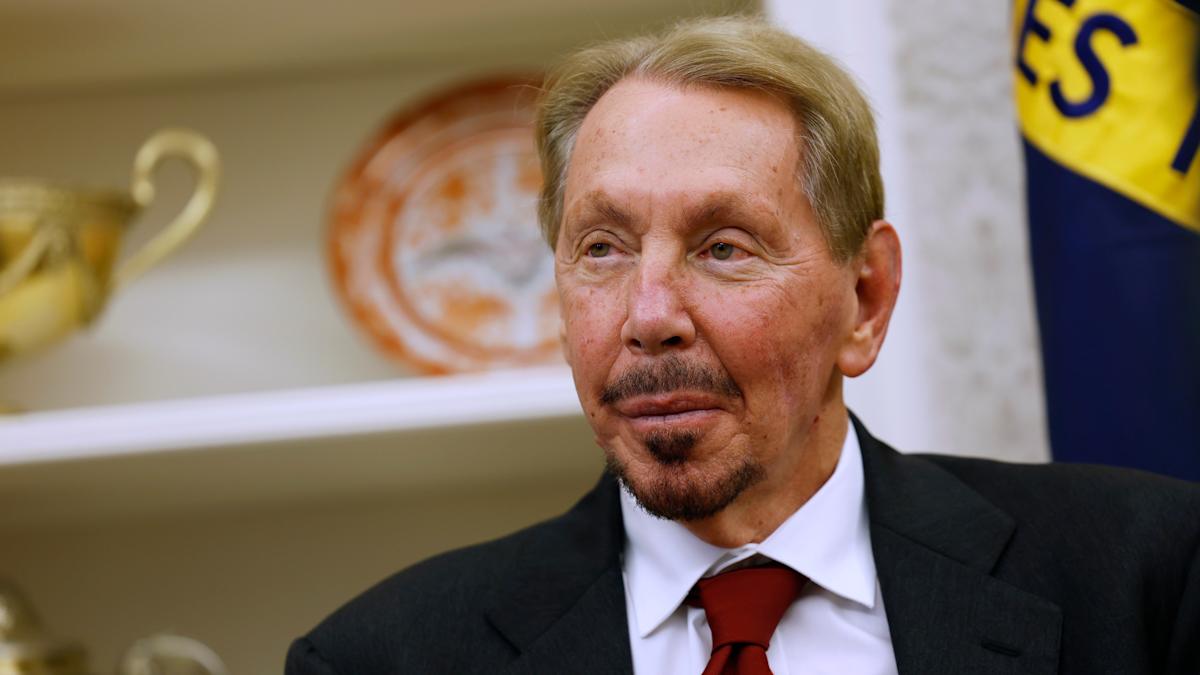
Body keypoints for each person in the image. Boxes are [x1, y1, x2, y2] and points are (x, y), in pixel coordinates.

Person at [285, 16, 1200, 675]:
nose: (649, 315)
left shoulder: (1141, 575)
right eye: (601, 249)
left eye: (723, 247)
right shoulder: (382, 656)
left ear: (865, 298)